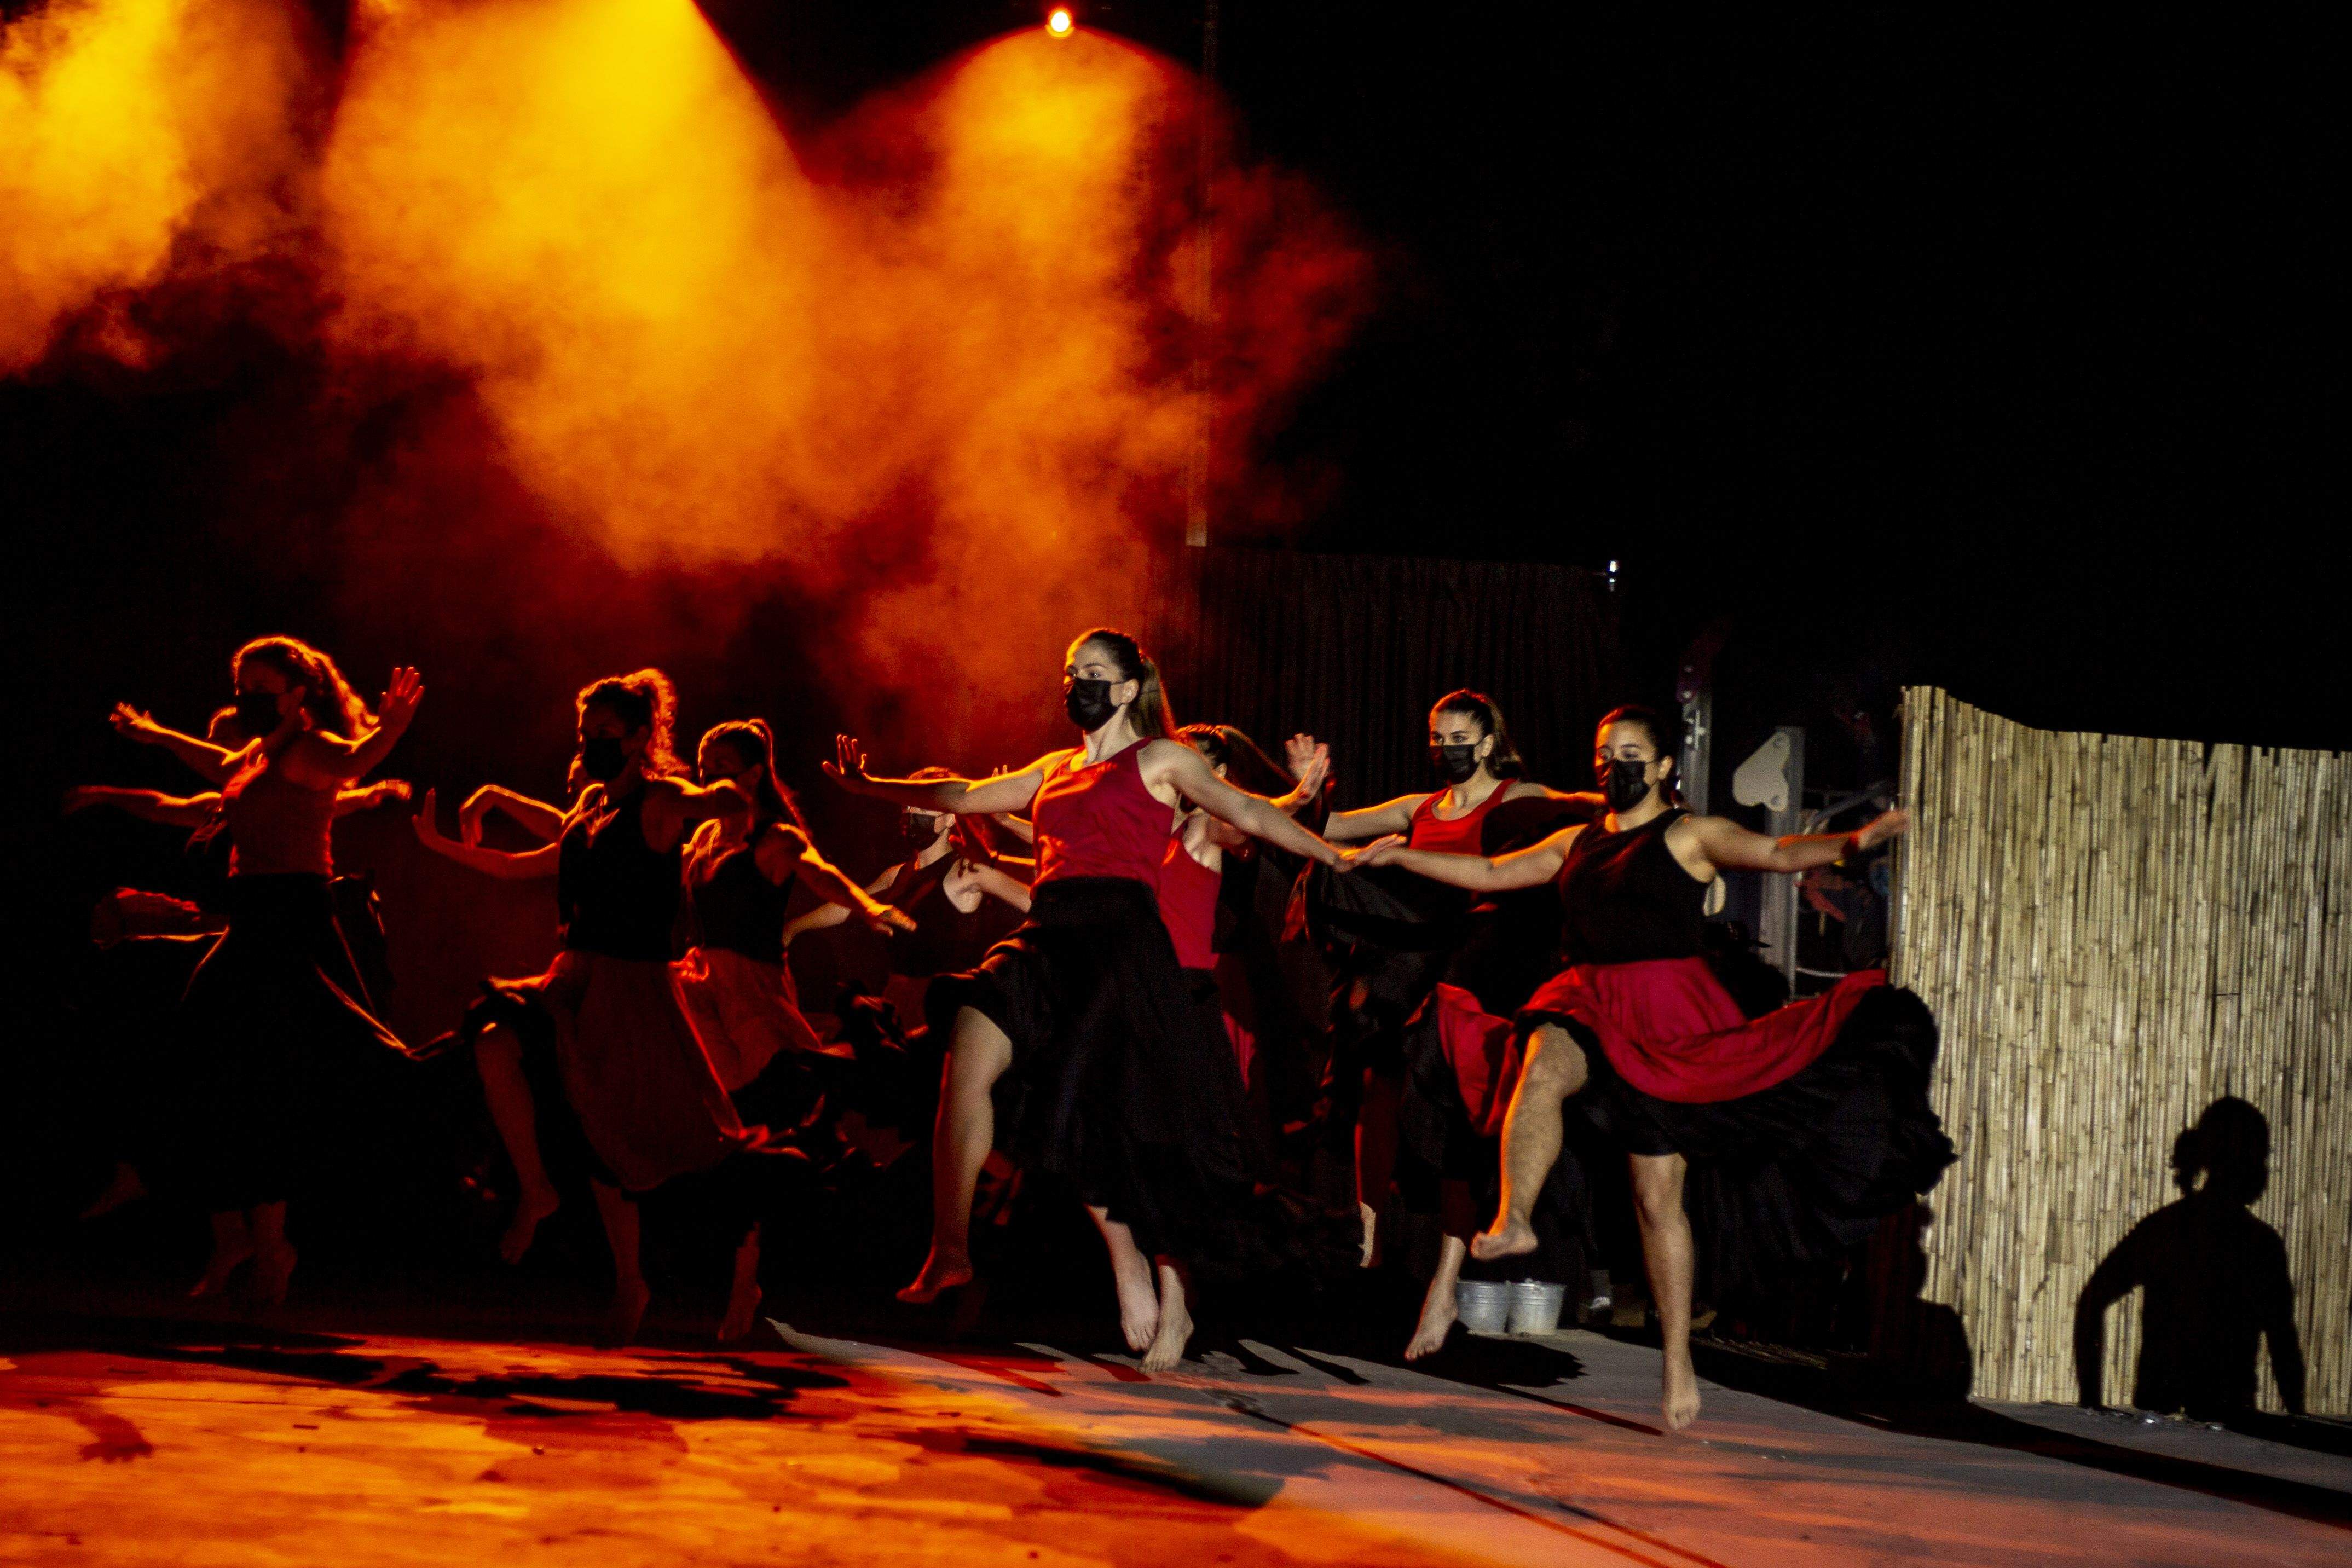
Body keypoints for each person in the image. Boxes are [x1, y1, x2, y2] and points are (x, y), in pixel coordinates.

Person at [1348, 704, 1950, 1428]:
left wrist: (1851, 842)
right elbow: (1487, 869)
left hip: (1668, 1018)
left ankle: (1675, 1358)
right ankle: (1513, 1219)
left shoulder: (1690, 834)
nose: (1614, 766)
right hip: (1589, 996)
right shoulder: (1577, 841)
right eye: (1605, 754)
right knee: (1539, 1057)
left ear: (1664, 767)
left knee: (1654, 1197)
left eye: (1631, 754)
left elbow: (1781, 854)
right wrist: (1401, 853)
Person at [824, 628, 1354, 1370]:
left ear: (1132, 687)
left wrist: (1330, 848)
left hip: (1120, 947)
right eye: (1070, 671)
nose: (1076, 684)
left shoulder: (1165, 759)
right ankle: (950, 1250)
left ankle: (1145, 1273)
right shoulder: (1055, 768)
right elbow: (964, 793)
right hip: (1049, 934)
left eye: (1094, 673)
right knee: (969, 1049)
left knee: (1114, 1125)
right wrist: (869, 785)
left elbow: (1250, 814)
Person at [413, 670, 766, 1344]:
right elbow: (523, 865)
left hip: (630, 990)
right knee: (494, 1046)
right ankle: (541, 1193)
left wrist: (728, 791)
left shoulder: (659, 804)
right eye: (586, 734)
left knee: (634, 1145)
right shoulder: (589, 812)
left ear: (640, 737)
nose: (592, 743)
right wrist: (441, 847)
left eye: (606, 733)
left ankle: (690, 1273)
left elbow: (713, 801)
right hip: (572, 977)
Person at [107, 638, 423, 1304]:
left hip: (289, 919)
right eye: (242, 686)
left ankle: (254, 1237)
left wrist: (390, 728)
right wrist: (153, 735)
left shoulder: (308, 751)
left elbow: (355, 759)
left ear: (297, 694)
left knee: (246, 1073)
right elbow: (214, 760)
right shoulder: (259, 755)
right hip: (256, 917)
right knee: (229, 1078)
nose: (247, 697)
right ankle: (243, 1237)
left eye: (261, 687)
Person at [672, 719, 916, 1339]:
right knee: (725, 1131)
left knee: (778, 1126)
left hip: (752, 993)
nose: (708, 777)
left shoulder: (772, 838)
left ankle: (761, 1277)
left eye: (721, 764)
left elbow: (820, 873)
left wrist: (868, 907)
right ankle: (730, 1273)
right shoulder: (702, 836)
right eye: (703, 765)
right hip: (700, 989)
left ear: (753, 773)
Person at [782, 766, 1032, 1029]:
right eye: (907, 808)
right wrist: (794, 927)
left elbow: (1035, 902)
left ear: (950, 818)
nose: (911, 815)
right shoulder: (896, 875)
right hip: (898, 999)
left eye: (922, 808)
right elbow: (848, 904)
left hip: (942, 1010)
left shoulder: (967, 872)